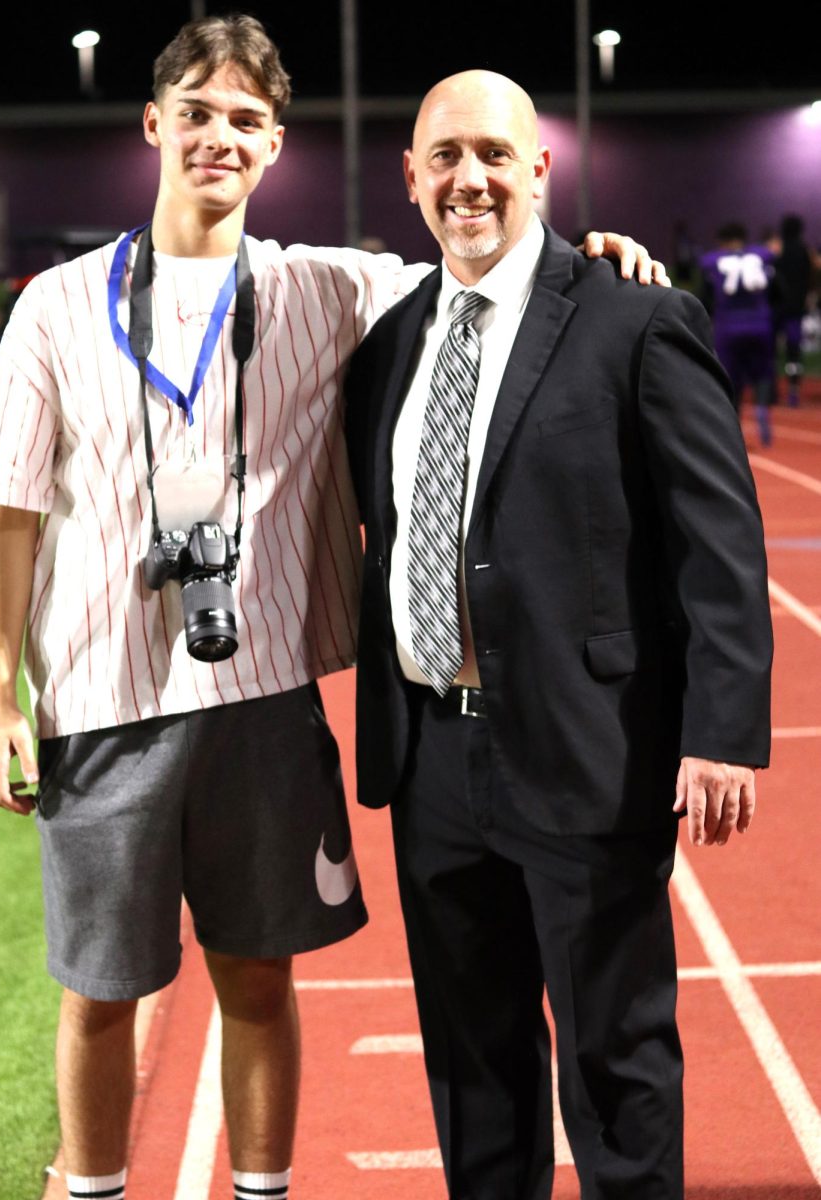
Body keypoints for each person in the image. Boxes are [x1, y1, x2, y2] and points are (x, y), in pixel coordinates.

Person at [0, 16, 661, 1200]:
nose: (217, 138)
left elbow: (487, 273)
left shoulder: (329, 288)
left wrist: (596, 254)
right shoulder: (57, 305)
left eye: (244, 120)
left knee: (259, 978)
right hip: (99, 698)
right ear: (154, 124)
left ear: (276, 143)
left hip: (264, 699)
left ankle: (262, 1190)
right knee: (97, 991)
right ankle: (88, 1191)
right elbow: (11, 515)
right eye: (195, 112)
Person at [344, 71, 772, 1200]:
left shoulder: (634, 316)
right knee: (473, 1069)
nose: (467, 178)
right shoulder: (388, 344)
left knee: (613, 1060)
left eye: (493, 153)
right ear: (411, 178)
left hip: (587, 748)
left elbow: (717, 546)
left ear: (540, 169)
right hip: (432, 753)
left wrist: (718, 732)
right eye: (443, 157)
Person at [700, 221, 777, 445]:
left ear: (721, 241)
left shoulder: (713, 261)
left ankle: (734, 428)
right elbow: (777, 290)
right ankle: (762, 408)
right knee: (763, 373)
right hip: (760, 324)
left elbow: (705, 298)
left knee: (730, 378)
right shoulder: (762, 256)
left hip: (728, 326)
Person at [773, 213, 818, 406]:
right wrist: (810, 296)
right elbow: (813, 277)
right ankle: (793, 391)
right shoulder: (805, 252)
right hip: (796, 309)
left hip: (776, 308)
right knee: (794, 351)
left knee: (772, 350)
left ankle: (769, 390)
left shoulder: (777, 251)